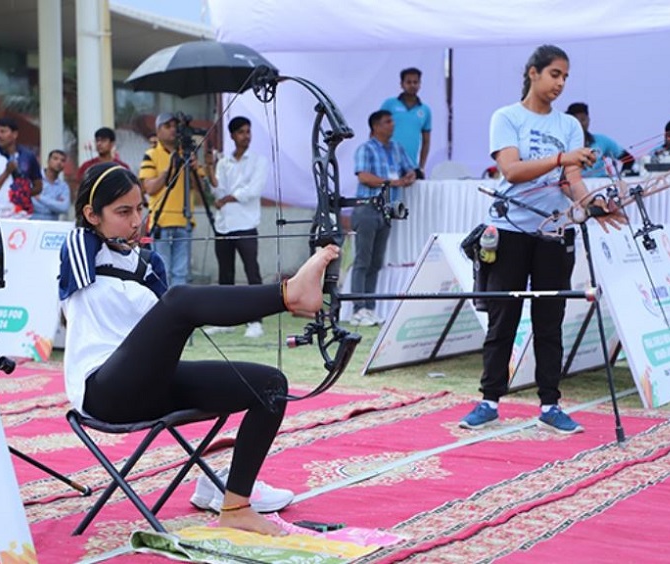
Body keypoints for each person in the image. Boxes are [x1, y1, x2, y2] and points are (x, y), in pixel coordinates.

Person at [59, 162, 340, 535]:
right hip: (104, 391)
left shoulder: (148, 264)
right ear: (91, 215)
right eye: (122, 212)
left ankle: (236, 504)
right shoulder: (80, 246)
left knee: (271, 384)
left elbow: (175, 321)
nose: (136, 221)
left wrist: (143, 264)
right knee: (178, 300)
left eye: (140, 209)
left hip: (152, 385)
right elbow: (173, 306)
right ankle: (289, 295)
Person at [459, 45, 624, 434]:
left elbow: (571, 183)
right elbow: (512, 170)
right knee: (504, 318)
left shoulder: (568, 125)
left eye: (565, 76)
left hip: (554, 232)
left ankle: (550, 404)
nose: (561, 83)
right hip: (510, 232)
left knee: (550, 321)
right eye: (554, 74)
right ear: (533, 73)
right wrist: (561, 159)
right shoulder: (507, 117)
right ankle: (489, 401)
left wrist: (594, 204)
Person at [351, 109, 416, 327]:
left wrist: (409, 176)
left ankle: (369, 308)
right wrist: (392, 183)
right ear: (376, 126)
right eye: (387, 122)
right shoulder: (365, 149)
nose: (392, 125)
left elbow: (410, 169)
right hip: (367, 207)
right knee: (362, 260)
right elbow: (364, 177)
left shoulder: (396, 148)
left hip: (386, 210)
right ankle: (357, 308)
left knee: (376, 262)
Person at [205, 116, 268, 339]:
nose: (246, 136)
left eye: (248, 131)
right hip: (224, 225)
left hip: (246, 223)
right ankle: (226, 320)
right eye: (241, 132)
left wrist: (227, 199)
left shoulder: (258, 160)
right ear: (232, 135)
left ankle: (256, 320)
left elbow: (252, 190)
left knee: (252, 272)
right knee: (225, 274)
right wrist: (210, 169)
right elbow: (217, 191)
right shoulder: (223, 162)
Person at [139, 112, 198, 286]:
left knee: (181, 273)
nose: (173, 130)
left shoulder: (187, 154)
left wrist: (193, 168)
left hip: (184, 220)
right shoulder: (151, 154)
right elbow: (149, 188)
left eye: (175, 126)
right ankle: (165, 310)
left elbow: (197, 186)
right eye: (167, 126)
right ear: (158, 130)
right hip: (161, 221)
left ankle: (179, 310)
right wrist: (168, 170)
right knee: (162, 272)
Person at [0, 117, 42, 218]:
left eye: (3, 131)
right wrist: (7, 172)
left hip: (23, 215)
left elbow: (38, 186)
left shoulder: (28, 156)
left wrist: (22, 194)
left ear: (14, 134)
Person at [380, 67, 432, 179]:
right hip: (389, 163)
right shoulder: (390, 104)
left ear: (420, 84)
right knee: (389, 195)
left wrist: (421, 166)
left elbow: (426, 141)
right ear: (402, 84)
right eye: (408, 82)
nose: (412, 85)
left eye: (415, 82)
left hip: (411, 166)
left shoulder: (425, 110)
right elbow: (376, 131)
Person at [565, 102, 634, 177]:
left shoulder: (602, 141)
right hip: (573, 186)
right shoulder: (563, 143)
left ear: (588, 120)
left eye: (583, 119)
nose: (580, 124)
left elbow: (629, 159)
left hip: (600, 185)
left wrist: (622, 177)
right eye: (576, 121)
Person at [32, 149, 70, 220]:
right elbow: (31, 203)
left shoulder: (63, 186)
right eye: (55, 159)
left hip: (52, 225)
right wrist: (55, 207)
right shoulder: (34, 179)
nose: (59, 162)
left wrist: (40, 198)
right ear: (48, 161)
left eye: (62, 160)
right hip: (33, 221)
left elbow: (64, 208)